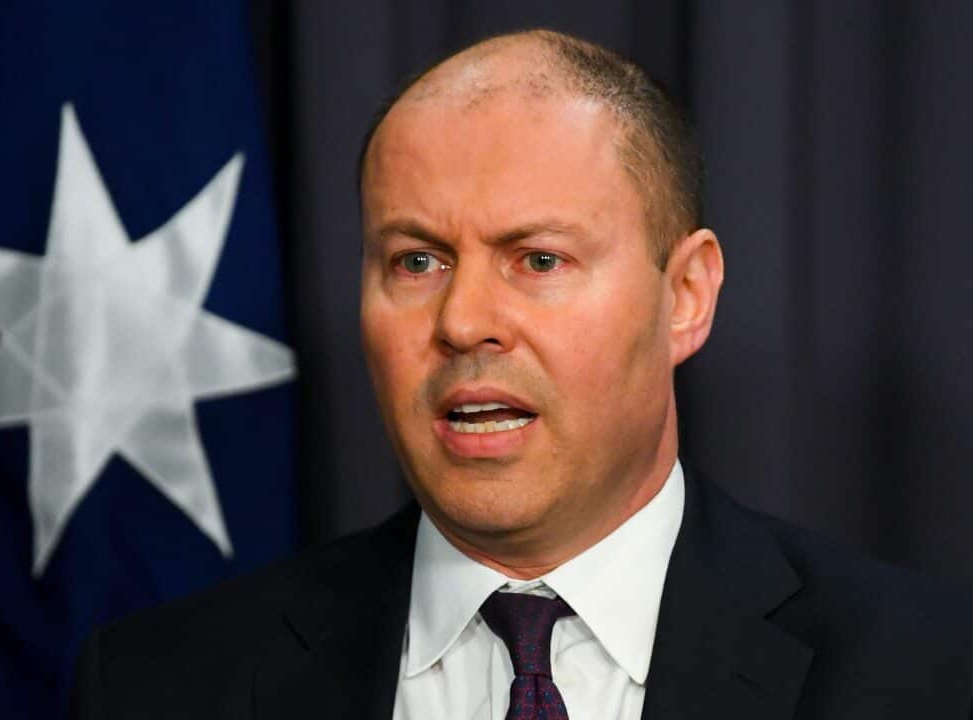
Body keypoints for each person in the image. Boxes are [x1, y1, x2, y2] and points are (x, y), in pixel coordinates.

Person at [68, 29, 973, 720]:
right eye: (416, 261)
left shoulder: (927, 675)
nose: (463, 322)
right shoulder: (158, 685)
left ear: (686, 295)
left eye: (537, 260)